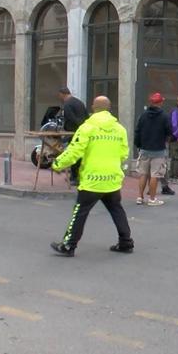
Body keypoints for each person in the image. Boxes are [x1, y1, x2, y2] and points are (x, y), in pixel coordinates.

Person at [49, 96, 133, 257]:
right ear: (109, 109)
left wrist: (57, 163)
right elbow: (124, 154)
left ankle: (68, 245)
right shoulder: (120, 129)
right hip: (112, 179)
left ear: (94, 108)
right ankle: (126, 242)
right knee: (117, 209)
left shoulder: (87, 127)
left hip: (92, 180)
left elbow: (75, 151)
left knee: (79, 212)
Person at [134, 92, 172, 206]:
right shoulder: (165, 116)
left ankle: (140, 197)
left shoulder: (143, 115)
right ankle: (152, 199)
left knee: (143, 174)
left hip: (144, 149)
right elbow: (169, 132)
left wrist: (138, 145)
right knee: (155, 174)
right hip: (158, 150)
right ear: (160, 102)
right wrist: (166, 141)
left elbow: (137, 131)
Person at [58, 87, 89, 185]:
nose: (60, 97)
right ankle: (75, 176)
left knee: (74, 154)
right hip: (83, 131)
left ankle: (74, 178)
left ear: (62, 94)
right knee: (81, 154)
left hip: (74, 132)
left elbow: (70, 118)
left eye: (60, 95)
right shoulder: (79, 102)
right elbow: (86, 116)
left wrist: (74, 128)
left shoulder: (67, 104)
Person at [158, 96, 178, 194]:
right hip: (175, 139)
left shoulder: (176, 111)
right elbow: (175, 125)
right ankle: (174, 177)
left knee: (175, 157)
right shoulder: (176, 111)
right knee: (177, 157)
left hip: (173, 138)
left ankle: (173, 176)